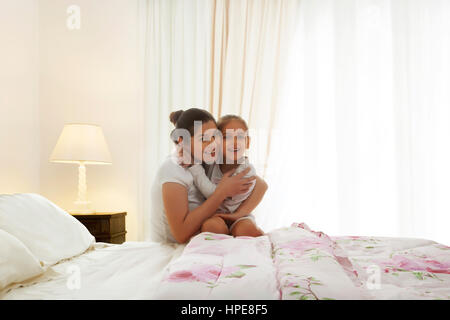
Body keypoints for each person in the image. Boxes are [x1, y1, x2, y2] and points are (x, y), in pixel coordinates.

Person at [149, 108, 268, 244]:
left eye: (215, 136)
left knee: (244, 230)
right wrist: (222, 192)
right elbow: (181, 235)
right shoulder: (174, 169)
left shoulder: (205, 159)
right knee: (214, 227)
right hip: (176, 245)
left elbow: (261, 184)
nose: (213, 144)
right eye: (204, 139)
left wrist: (238, 215)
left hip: (214, 231)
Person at [188, 114, 264, 237]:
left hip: (239, 216)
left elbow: (216, 195)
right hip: (215, 216)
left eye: (239, 137)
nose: (234, 143)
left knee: (246, 230)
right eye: (226, 137)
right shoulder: (211, 163)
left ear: (247, 142)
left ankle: (262, 239)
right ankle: (224, 245)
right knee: (210, 227)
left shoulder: (247, 171)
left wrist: (195, 168)